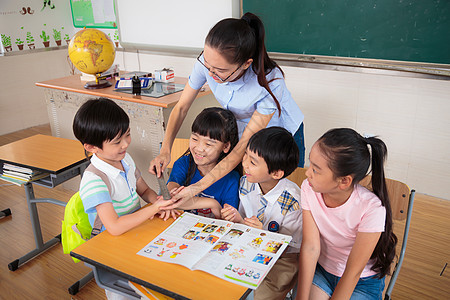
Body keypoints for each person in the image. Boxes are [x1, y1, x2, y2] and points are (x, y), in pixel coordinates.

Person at [150, 12, 305, 206]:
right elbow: (181, 107)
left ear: (246, 64)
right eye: (208, 66)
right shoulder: (209, 63)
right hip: (242, 130)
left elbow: (241, 149)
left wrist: (196, 189)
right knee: (247, 195)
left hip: (277, 136)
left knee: (277, 196)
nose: (211, 73)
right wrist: (166, 149)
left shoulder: (270, 82)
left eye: (220, 71)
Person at [73, 98, 177, 299]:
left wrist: (158, 201)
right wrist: (154, 209)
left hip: (135, 234)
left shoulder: (124, 159)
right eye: (117, 142)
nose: (126, 144)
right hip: (112, 248)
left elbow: (144, 190)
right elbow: (114, 227)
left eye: (128, 135)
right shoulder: (94, 179)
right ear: (91, 147)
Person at [297, 128, 397, 300]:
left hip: (362, 281)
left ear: (344, 181)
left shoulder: (372, 208)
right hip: (322, 270)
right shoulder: (309, 188)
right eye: (310, 164)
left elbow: (353, 271)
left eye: (315, 169)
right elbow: (311, 247)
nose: (307, 173)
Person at [221, 127, 302, 300]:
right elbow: (244, 222)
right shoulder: (247, 182)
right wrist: (238, 219)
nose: (244, 164)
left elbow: (289, 247)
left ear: (276, 173)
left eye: (253, 162)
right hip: (248, 247)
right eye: (246, 156)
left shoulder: (293, 201)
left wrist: (264, 235)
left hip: (282, 261)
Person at [166, 107, 241, 218]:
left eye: (209, 144)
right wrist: (212, 204)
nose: (199, 149)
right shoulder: (184, 164)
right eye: (195, 139)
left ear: (225, 146)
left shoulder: (231, 179)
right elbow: (172, 199)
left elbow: (226, 221)